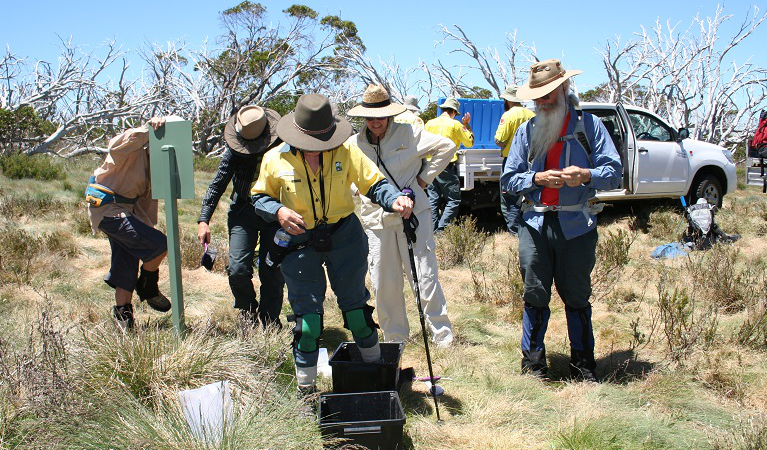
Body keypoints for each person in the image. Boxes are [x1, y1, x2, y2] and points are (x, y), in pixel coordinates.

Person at [251, 93, 414, 392]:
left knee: (357, 315)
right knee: (309, 325)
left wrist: (395, 200)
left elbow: (374, 183)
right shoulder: (274, 158)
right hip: (299, 243)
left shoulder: (346, 153)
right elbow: (259, 196)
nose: (317, 150)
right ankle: (306, 393)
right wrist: (279, 211)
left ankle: (378, 378)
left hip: (345, 239)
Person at [500, 59, 622, 382]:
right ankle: (533, 364)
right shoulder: (527, 131)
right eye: (537, 96)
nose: (542, 102)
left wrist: (585, 175)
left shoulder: (590, 127)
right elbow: (508, 179)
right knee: (534, 293)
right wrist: (537, 179)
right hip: (536, 225)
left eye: (549, 94)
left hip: (577, 227)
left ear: (564, 88)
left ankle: (583, 365)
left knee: (578, 295)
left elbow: (614, 173)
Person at [347, 84, 456, 347]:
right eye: (370, 117)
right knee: (384, 281)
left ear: (390, 115)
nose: (375, 123)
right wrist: (358, 192)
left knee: (425, 275)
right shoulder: (354, 144)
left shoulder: (409, 133)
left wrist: (422, 181)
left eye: (381, 116)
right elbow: (349, 175)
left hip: (414, 216)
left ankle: (442, 337)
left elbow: (447, 147)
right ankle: (395, 339)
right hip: (377, 220)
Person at [197, 105, 286, 327]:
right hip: (243, 211)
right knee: (237, 269)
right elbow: (217, 184)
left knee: (271, 269)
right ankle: (247, 313)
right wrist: (203, 220)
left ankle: (269, 320)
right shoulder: (234, 151)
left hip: (276, 214)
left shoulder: (284, 146)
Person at [87, 117, 173, 329]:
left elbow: (145, 198)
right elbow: (115, 146)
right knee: (160, 244)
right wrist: (147, 129)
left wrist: (144, 223)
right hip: (108, 209)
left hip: (126, 211)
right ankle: (148, 285)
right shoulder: (133, 143)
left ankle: (123, 318)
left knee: (127, 260)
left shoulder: (153, 158)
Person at [424, 97, 474, 232]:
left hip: (429, 165)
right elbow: (469, 142)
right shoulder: (455, 124)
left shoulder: (429, 123)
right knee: (453, 200)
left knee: (433, 199)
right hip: (446, 164)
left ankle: (431, 229)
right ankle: (441, 229)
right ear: (454, 112)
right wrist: (467, 125)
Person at [495, 85, 535, 235]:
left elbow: (499, 139)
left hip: (511, 161)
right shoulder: (531, 114)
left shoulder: (509, 115)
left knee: (509, 198)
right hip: (532, 160)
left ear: (508, 100)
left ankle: (515, 231)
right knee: (530, 195)